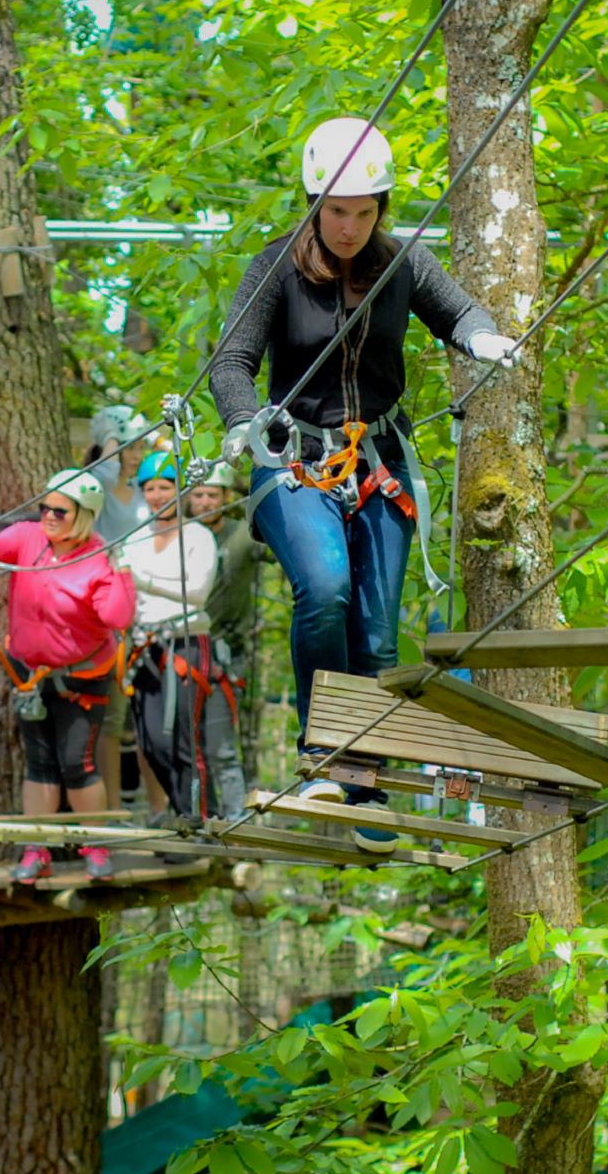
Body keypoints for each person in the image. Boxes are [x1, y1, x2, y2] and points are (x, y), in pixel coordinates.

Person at [208, 118, 521, 851]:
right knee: (323, 590)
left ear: (381, 206)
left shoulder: (402, 262)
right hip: (294, 457)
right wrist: (247, 420)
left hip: (379, 462)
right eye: (336, 211)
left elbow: (458, 310)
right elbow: (231, 362)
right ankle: (321, 759)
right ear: (314, 204)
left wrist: (480, 337)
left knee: (377, 636)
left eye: (363, 210)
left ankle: (362, 787)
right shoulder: (275, 267)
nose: (349, 226)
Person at [0, 470, 138, 883]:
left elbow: (117, 616)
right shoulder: (28, 539)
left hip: (82, 679)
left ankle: (95, 846)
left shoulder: (98, 558)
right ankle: (35, 850)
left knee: (77, 763)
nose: (49, 516)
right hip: (30, 676)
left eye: (60, 510)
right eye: (45, 507)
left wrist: (123, 572)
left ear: (83, 515)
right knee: (39, 763)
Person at [125, 453, 245, 820]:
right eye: (151, 488)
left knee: (182, 739)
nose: (158, 495)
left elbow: (196, 591)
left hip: (187, 643)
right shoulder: (136, 538)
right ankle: (183, 811)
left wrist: (141, 579)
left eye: (165, 487)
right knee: (150, 743)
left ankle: (196, 818)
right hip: (143, 645)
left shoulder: (198, 536)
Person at [82, 404, 152, 803]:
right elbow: (102, 472)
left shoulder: (149, 490)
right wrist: (110, 435)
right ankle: (109, 801)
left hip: (148, 601)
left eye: (139, 447)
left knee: (141, 711)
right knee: (111, 710)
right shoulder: (101, 487)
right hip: (111, 601)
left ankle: (141, 797)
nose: (135, 454)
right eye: (129, 447)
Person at [188, 460, 261, 775]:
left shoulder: (244, 536)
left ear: (226, 497)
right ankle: (203, 811)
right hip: (184, 648)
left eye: (212, 495)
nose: (205, 502)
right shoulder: (179, 536)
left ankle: (234, 814)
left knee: (221, 745)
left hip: (225, 651)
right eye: (199, 495)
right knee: (186, 744)